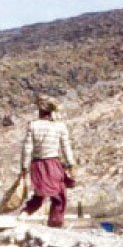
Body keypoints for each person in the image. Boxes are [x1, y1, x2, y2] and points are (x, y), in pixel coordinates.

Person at [20, 95, 77, 228]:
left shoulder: (33, 125)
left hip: (37, 164)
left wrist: (24, 166)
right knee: (59, 194)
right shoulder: (60, 127)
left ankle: (24, 214)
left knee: (40, 194)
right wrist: (71, 164)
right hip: (53, 164)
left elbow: (27, 148)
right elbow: (65, 147)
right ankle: (55, 222)